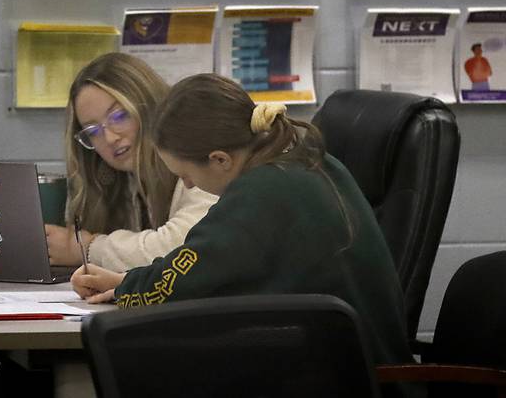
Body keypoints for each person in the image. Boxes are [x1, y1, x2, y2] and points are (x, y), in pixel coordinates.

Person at [70, 74, 412, 375]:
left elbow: (188, 272)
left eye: (186, 176)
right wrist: (128, 282)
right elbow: (205, 265)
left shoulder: (260, 191)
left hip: (347, 379)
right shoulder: (310, 162)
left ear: (220, 159)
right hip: (359, 365)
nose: (187, 186)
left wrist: (130, 288)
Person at [44, 53, 217, 271]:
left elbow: (183, 249)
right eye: (93, 131)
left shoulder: (200, 154)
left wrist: (87, 248)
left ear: (151, 106)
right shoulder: (123, 182)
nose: (110, 138)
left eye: (119, 117)